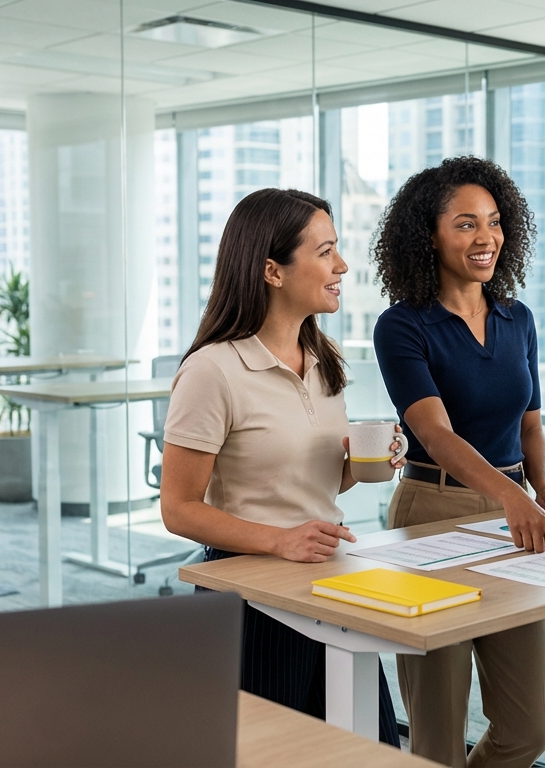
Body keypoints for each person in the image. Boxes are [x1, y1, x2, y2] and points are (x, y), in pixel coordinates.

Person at [159, 188, 404, 746]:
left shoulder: (323, 360)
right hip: (251, 594)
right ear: (272, 270)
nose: (342, 266)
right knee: (272, 754)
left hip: (327, 579)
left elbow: (318, 482)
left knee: (367, 747)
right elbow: (178, 509)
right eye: (325, 251)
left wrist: (368, 462)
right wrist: (280, 541)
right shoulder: (212, 371)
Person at [371, 156, 545, 767]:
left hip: (512, 517)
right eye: (465, 224)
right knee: (437, 731)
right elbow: (434, 434)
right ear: (429, 236)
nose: (485, 237)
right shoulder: (402, 326)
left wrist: (542, 487)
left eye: (493, 221)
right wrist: (512, 496)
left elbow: (530, 423)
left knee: (528, 727)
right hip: (431, 511)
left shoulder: (518, 319)